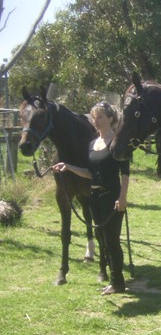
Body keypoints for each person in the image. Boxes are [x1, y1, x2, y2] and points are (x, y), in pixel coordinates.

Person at [53, 102, 130, 295]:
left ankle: (118, 282)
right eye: (94, 118)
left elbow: (125, 173)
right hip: (95, 197)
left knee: (112, 240)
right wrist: (68, 167)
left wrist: (122, 197)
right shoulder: (92, 144)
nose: (96, 121)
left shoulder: (117, 143)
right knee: (102, 238)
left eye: (100, 117)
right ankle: (114, 281)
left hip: (111, 196)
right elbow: (90, 173)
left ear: (110, 119)